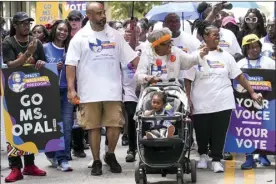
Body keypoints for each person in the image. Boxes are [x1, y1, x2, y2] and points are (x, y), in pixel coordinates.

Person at [65, 2, 139, 176]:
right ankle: (96, 160)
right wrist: (71, 89)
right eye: (98, 13)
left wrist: (147, 70)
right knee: (94, 127)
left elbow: (132, 59)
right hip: (89, 91)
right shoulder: (80, 37)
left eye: (103, 12)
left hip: (113, 90)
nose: (103, 16)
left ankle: (110, 155)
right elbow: (71, 65)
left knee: (115, 125)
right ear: (89, 16)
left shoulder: (115, 35)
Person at [183, 20, 262, 173]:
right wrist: (188, 99)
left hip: (223, 102)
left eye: (218, 35)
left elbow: (239, 76)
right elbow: (187, 79)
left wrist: (251, 92)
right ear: (205, 37)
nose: (217, 38)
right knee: (202, 131)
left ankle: (217, 159)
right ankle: (203, 156)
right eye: (214, 35)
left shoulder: (226, 56)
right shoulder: (195, 56)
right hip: (201, 102)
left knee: (219, 131)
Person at [2, 12, 46, 182]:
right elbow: (11, 66)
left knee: (30, 127)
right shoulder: (8, 42)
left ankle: (29, 165)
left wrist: (40, 63)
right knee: (14, 127)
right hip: (13, 89)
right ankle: (15, 167)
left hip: (32, 90)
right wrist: (28, 54)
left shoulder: (37, 43)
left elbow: (42, 63)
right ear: (14, 25)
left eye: (28, 23)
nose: (26, 26)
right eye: (22, 23)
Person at [237, 34, 275, 170]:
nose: (254, 50)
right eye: (251, 48)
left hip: (267, 102)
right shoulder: (239, 64)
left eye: (257, 46)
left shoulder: (270, 62)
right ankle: (249, 158)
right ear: (245, 49)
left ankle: (263, 155)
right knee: (248, 129)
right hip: (246, 104)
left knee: (265, 129)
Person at [43, 20, 74, 172]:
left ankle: (63, 159)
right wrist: (50, 67)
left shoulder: (71, 49)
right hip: (49, 91)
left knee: (66, 126)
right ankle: (51, 153)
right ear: (54, 30)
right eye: (60, 29)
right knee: (52, 126)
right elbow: (36, 67)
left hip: (67, 91)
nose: (63, 32)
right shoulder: (44, 48)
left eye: (66, 31)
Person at [135, 27, 209, 85]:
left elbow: (190, 60)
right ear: (157, 46)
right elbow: (138, 75)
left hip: (172, 92)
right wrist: (147, 78)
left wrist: (200, 54)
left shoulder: (176, 51)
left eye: (171, 42)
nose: (170, 46)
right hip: (151, 94)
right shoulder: (147, 54)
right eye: (166, 44)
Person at [67, 9, 88, 159]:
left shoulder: (86, 37)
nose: (73, 21)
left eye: (76, 19)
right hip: (67, 82)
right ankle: (68, 147)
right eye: (71, 19)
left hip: (84, 80)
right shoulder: (63, 36)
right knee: (69, 116)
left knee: (81, 114)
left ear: (81, 21)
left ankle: (79, 146)